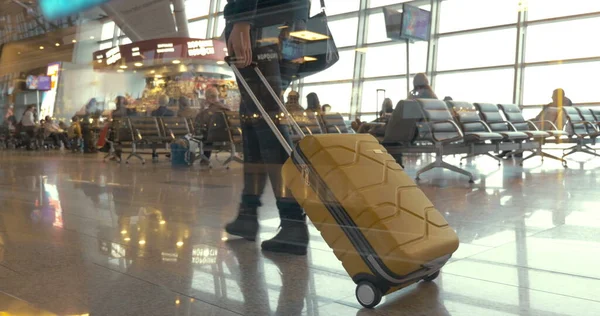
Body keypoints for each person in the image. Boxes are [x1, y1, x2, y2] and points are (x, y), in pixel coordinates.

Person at [223, 0, 310, 255]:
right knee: (254, 119)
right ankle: (247, 215)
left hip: (262, 22)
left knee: (266, 121)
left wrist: (242, 19)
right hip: (292, 25)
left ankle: (293, 222)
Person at [195, 87, 230, 162]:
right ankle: (205, 157)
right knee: (209, 131)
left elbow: (200, 122)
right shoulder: (227, 108)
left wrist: (202, 108)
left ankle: (204, 157)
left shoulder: (208, 112)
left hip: (212, 137)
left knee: (202, 133)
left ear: (208, 98)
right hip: (228, 136)